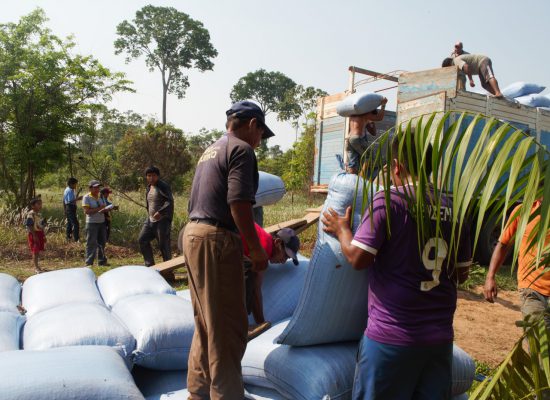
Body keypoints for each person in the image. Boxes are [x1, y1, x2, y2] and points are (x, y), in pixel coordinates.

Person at [322, 134, 472, 399]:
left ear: (396, 166)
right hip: (438, 340)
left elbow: (358, 259)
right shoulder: (451, 207)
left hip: (391, 338)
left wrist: (342, 230)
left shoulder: (389, 202)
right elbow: (461, 274)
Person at [183, 100, 272, 399]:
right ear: (252, 125)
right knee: (229, 330)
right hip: (216, 239)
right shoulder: (241, 150)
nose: (260, 141)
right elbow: (238, 204)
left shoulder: (211, 150)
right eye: (261, 134)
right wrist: (257, 250)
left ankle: (198, 394)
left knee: (206, 324)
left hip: (194, 234)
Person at [484, 198, 550, 328]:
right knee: (537, 344)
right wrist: (490, 277)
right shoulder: (524, 211)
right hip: (532, 289)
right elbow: (503, 244)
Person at [243, 225, 300, 340]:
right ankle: (240, 328)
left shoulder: (265, 240)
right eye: (285, 255)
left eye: (287, 259)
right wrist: (262, 325)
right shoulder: (264, 247)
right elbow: (255, 289)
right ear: (278, 242)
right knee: (248, 277)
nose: (283, 262)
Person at [138, 166, 174, 267]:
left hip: (162, 221)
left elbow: (169, 201)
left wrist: (161, 212)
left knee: (163, 245)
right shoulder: (149, 187)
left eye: (154, 175)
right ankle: (150, 266)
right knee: (142, 239)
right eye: (149, 176)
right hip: (150, 220)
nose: (151, 178)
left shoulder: (163, 186)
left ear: (158, 176)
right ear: (146, 177)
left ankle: (168, 270)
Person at [345, 97, 388, 175]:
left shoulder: (353, 114)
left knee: (352, 163)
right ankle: (361, 179)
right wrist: (383, 105)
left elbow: (373, 133)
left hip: (348, 139)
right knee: (369, 158)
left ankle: (351, 182)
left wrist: (372, 122)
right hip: (357, 139)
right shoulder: (366, 114)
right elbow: (380, 117)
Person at [82, 180, 108, 266]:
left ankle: (101, 261)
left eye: (98, 187)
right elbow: (87, 211)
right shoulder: (86, 197)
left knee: (102, 242)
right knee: (91, 243)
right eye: (95, 187)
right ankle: (89, 262)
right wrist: (99, 208)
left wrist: (106, 209)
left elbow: (103, 207)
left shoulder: (100, 197)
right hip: (92, 223)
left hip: (101, 222)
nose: (97, 189)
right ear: (90, 188)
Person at [26, 197, 47, 274]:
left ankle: (37, 266)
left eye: (41, 204)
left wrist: (44, 235)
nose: (40, 205)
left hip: (39, 233)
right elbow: (30, 225)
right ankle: (36, 267)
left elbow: (41, 226)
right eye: (38, 204)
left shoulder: (39, 214)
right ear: (33, 206)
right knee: (35, 251)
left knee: (37, 251)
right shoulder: (31, 214)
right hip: (33, 234)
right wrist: (34, 236)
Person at [63, 177, 82, 242]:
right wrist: (78, 198)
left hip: (69, 208)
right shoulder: (69, 190)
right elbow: (69, 201)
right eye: (75, 184)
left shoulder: (68, 189)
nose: (76, 186)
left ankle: (68, 237)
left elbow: (65, 200)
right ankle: (76, 239)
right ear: (71, 184)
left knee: (69, 223)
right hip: (70, 207)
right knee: (75, 224)